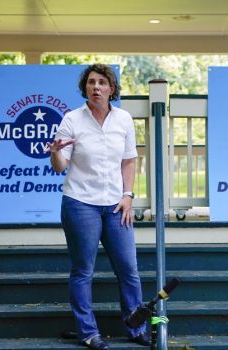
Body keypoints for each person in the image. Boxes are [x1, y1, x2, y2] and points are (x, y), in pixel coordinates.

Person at [47, 64, 149, 350]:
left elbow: (129, 160)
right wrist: (55, 153)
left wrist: (129, 195)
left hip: (117, 205)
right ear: (85, 88)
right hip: (80, 204)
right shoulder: (72, 119)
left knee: (129, 269)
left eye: (102, 82)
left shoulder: (124, 119)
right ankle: (89, 333)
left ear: (111, 89)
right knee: (83, 271)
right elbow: (61, 165)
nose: (96, 87)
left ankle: (136, 327)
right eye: (91, 82)